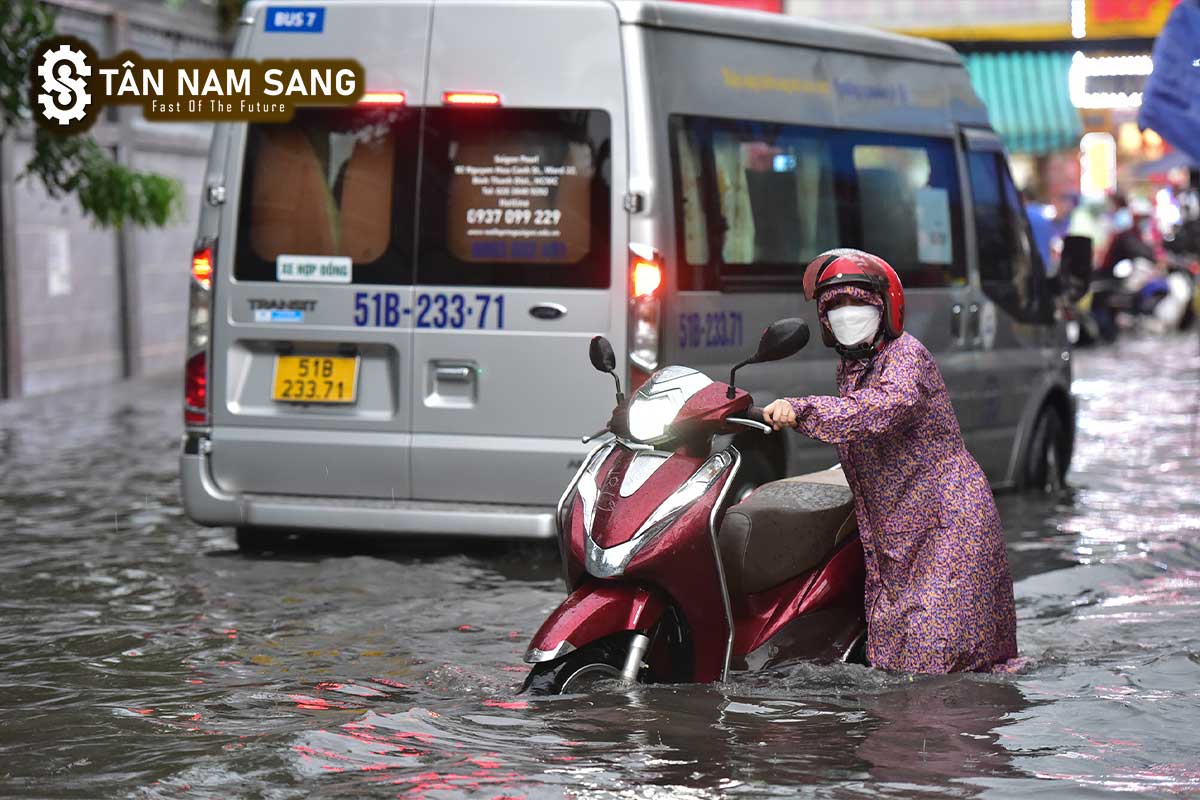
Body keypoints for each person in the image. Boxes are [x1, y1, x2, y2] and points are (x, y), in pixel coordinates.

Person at [761, 248, 1018, 674]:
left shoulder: (905, 357)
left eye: (858, 303)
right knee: (895, 662)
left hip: (945, 526)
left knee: (935, 665)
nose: (847, 314)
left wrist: (802, 410)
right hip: (897, 534)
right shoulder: (853, 368)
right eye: (836, 306)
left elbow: (881, 408)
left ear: (885, 308)